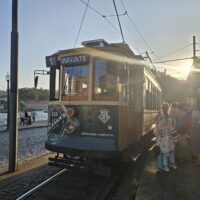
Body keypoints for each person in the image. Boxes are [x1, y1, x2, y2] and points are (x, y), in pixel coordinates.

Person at [155, 103, 177, 172]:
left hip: (163, 137)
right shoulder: (172, 116)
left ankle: (165, 166)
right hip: (171, 136)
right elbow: (175, 125)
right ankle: (172, 164)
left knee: (164, 152)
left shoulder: (160, 116)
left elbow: (157, 128)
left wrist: (157, 137)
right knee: (171, 151)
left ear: (162, 108)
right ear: (169, 108)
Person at [190, 98, 200, 165]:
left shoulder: (195, 111)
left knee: (196, 145)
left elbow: (193, 123)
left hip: (197, 128)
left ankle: (199, 161)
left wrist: (191, 131)